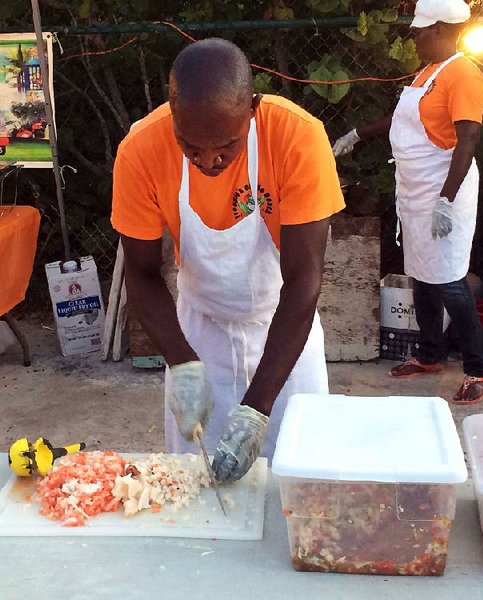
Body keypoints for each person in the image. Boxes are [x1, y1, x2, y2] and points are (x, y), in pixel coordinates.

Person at [111, 39, 344, 482]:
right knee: (194, 481)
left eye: (225, 147)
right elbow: (139, 274)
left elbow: (303, 280)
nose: (208, 161)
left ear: (252, 108)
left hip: (285, 327)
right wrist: (182, 362)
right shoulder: (140, 150)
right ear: (171, 110)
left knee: (299, 477)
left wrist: (257, 409)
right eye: (190, 147)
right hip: (199, 331)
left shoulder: (297, 137)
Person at [334, 0, 483, 405]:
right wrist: (358, 133)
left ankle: (478, 369)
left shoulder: (464, 74)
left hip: (445, 190)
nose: (415, 37)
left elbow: (469, 137)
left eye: (420, 31)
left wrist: (446, 199)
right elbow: (403, 121)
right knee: (422, 276)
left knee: (452, 282)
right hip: (416, 190)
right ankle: (430, 354)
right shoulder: (429, 74)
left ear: (440, 29)